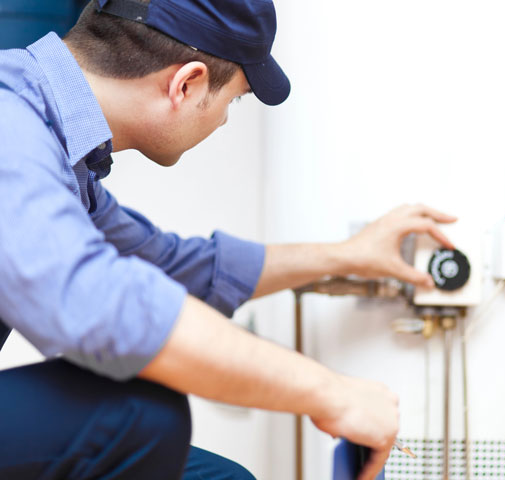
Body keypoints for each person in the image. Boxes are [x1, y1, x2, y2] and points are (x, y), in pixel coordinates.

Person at [0, 0, 456, 479]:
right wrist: (330, 392)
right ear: (188, 84)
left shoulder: (59, 147)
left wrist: (347, 256)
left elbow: (170, 267)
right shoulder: (10, 121)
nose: (223, 119)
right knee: (141, 413)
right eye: (233, 100)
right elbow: (99, 303)